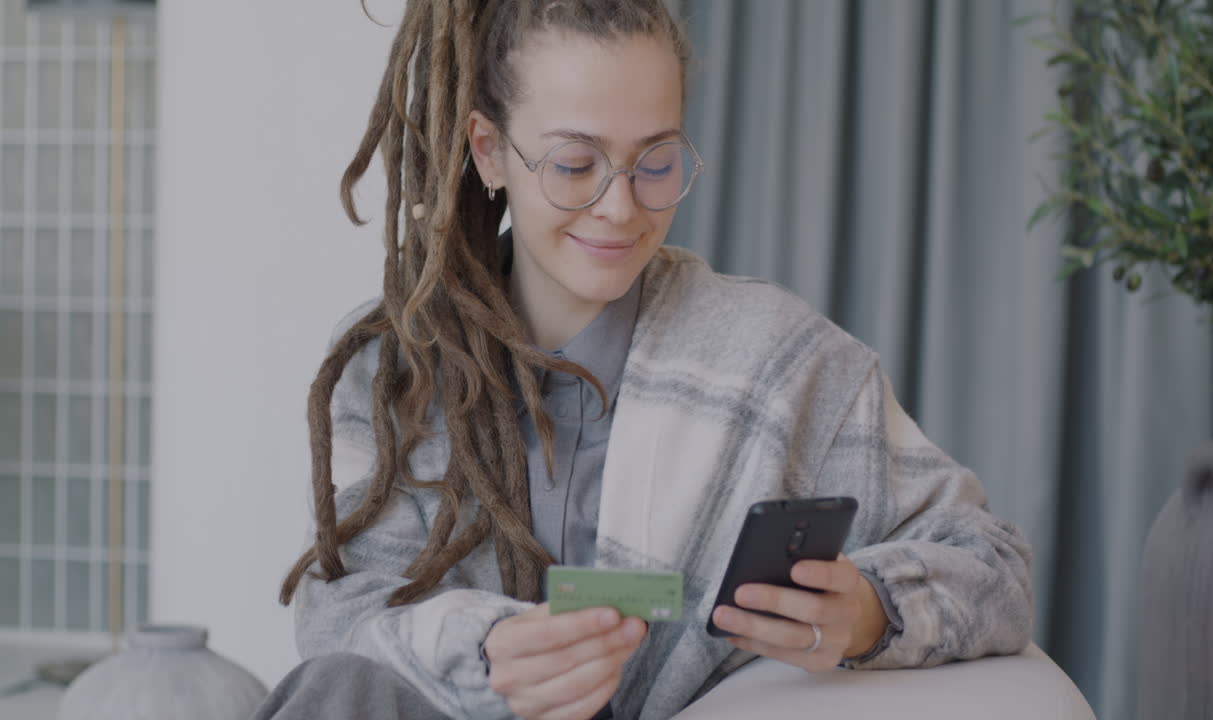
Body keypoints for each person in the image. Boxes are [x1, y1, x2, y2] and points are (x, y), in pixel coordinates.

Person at [252, 1, 1034, 718]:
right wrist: (480, 649)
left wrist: (870, 610)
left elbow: (993, 565)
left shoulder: (786, 368)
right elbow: (342, 614)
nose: (620, 207)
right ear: (489, 151)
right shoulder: (394, 371)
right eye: (574, 165)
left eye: (655, 163)